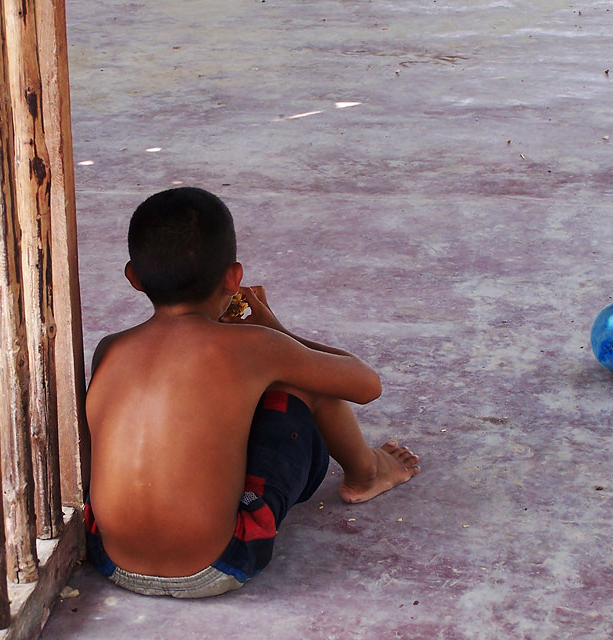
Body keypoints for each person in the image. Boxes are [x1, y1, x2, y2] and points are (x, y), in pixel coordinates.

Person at [84, 187, 421, 598]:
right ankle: (367, 472)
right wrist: (274, 330)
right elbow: (366, 385)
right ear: (234, 278)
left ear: (134, 277)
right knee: (304, 379)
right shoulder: (255, 346)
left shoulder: (110, 348)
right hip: (217, 563)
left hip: (111, 556)